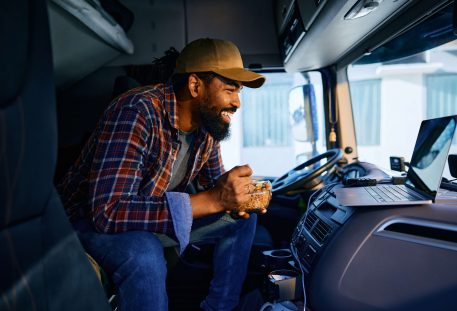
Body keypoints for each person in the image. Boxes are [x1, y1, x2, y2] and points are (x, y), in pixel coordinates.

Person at [57, 38, 266, 311]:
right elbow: (107, 210)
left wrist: (239, 197)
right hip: (84, 221)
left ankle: (218, 308)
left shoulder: (206, 126)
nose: (237, 102)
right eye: (229, 90)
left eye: (238, 92)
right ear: (195, 86)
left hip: (142, 218)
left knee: (242, 219)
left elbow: (214, 186)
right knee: (145, 252)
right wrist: (215, 200)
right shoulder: (137, 111)